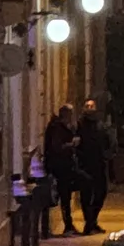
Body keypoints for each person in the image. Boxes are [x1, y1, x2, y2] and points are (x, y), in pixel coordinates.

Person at [43, 103, 80, 235]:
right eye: (71, 114)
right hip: (60, 168)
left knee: (64, 196)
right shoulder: (57, 128)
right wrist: (72, 144)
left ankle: (68, 225)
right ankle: (67, 225)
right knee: (63, 196)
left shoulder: (60, 127)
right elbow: (57, 147)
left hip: (63, 167)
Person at [76, 99, 111, 235]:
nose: (90, 108)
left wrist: (106, 154)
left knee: (101, 193)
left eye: (92, 106)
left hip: (99, 164)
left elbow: (106, 141)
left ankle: (92, 221)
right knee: (86, 195)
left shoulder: (100, 125)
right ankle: (89, 222)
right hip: (85, 165)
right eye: (87, 106)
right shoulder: (79, 125)